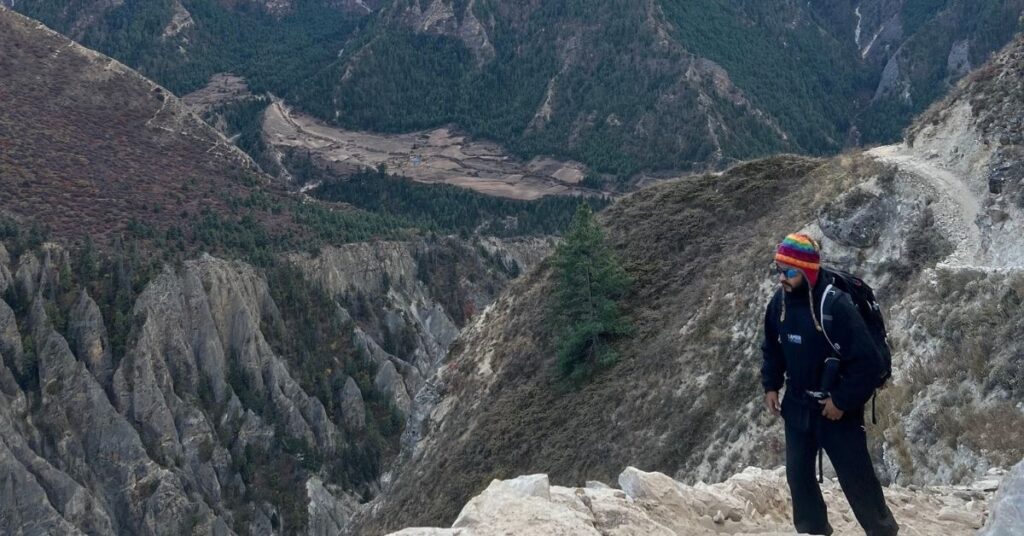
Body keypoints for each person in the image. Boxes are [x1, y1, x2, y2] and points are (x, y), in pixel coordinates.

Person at [761, 233, 899, 536]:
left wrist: (842, 401)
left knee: (857, 478)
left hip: (835, 410)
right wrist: (771, 385)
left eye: (790, 271)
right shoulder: (779, 303)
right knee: (798, 476)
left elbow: (868, 362)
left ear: (807, 271)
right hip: (797, 403)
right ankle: (813, 531)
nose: (782, 277)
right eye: (779, 270)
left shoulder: (835, 305)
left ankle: (883, 532)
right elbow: (772, 346)